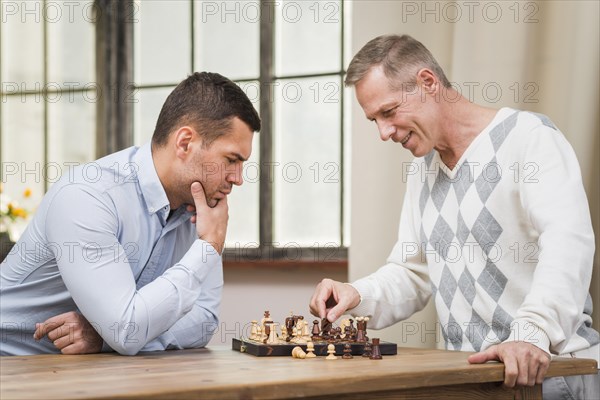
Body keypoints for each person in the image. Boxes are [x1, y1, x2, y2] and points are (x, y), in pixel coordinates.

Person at [309, 34, 599, 398]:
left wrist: (531, 334)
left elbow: (567, 245)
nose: (383, 132)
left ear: (428, 83)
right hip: (476, 381)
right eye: (374, 120)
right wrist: (356, 294)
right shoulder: (423, 169)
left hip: (554, 374)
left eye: (389, 112)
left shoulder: (529, 139)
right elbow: (413, 272)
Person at [1, 72, 260, 356]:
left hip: (89, 373)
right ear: (185, 143)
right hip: (13, 370)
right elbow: (127, 331)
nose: (238, 178)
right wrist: (208, 247)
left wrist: (104, 336)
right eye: (231, 160)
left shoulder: (202, 210)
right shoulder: (89, 195)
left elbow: (204, 322)